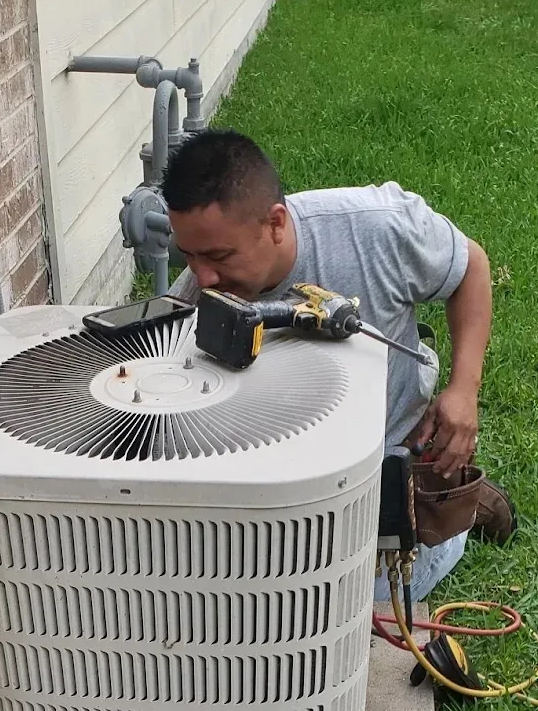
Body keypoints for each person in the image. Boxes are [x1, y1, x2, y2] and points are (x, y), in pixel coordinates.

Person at [160, 128, 516, 601]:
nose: (203, 277)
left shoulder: (377, 229)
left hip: (382, 469)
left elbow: (471, 266)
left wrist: (464, 390)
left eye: (220, 256)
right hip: (276, 478)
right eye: (189, 255)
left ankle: (450, 503)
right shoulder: (198, 292)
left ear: (276, 223)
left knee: (334, 613)